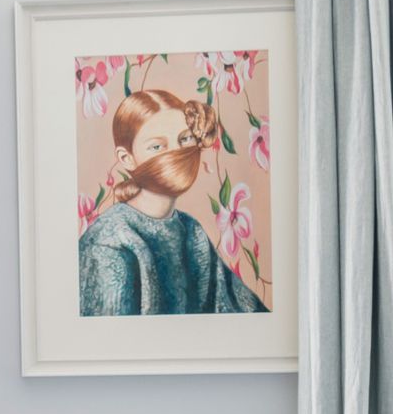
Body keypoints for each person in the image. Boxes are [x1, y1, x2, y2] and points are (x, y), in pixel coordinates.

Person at [78, 88, 267, 316]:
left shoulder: (191, 230)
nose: (177, 153)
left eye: (184, 139)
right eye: (157, 146)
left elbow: (240, 309)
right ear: (126, 158)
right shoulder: (110, 242)